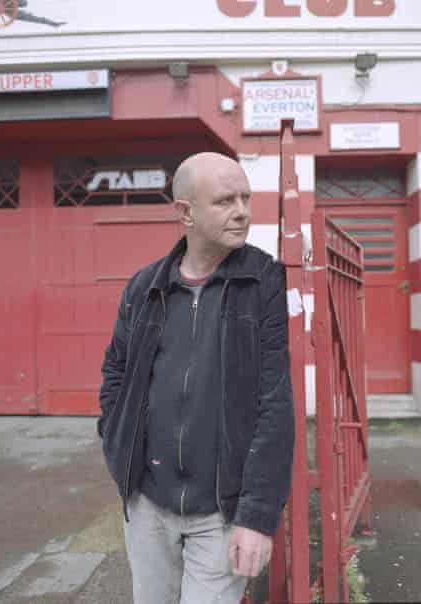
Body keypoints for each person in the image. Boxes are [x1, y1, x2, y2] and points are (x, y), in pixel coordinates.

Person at [97, 152, 295, 604]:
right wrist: (117, 445)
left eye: (246, 197)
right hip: (147, 504)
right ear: (185, 212)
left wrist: (257, 517)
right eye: (225, 201)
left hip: (222, 510)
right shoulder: (145, 287)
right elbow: (115, 374)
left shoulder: (264, 283)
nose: (242, 211)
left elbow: (274, 402)